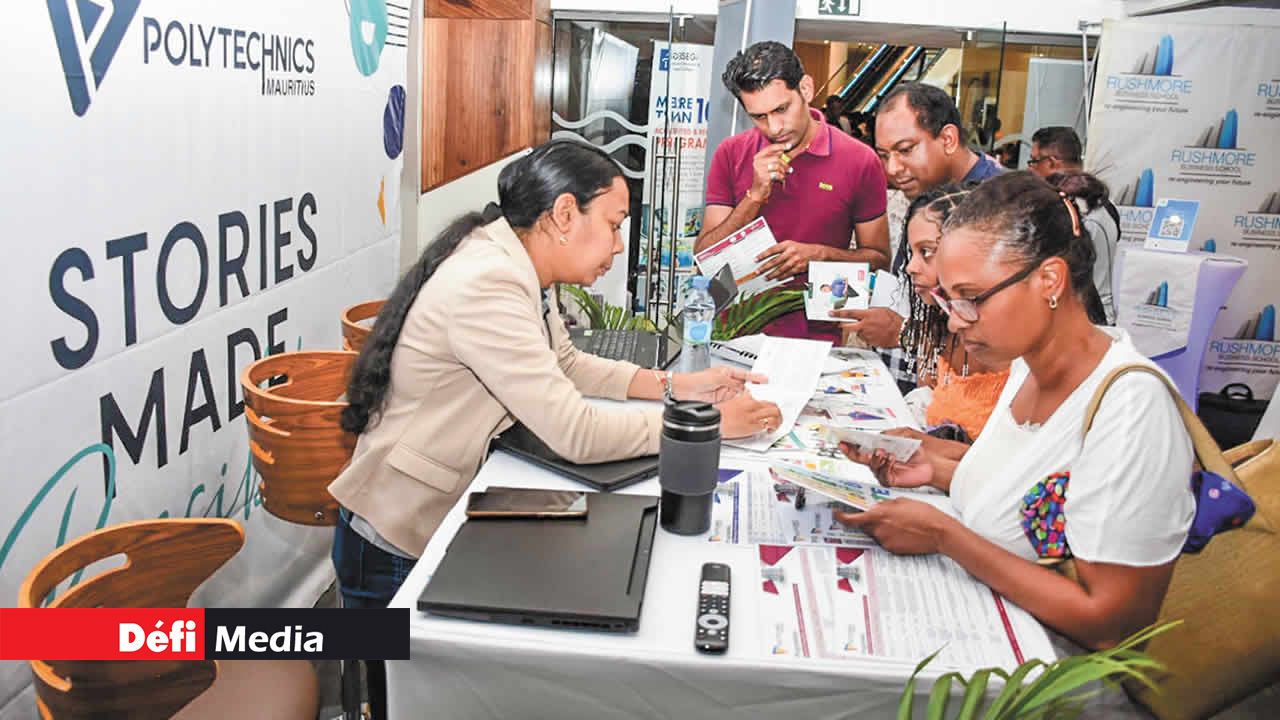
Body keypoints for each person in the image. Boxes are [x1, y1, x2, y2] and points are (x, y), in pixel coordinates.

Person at [330, 141, 783, 719]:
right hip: (398, 533)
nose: (619, 246)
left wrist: (676, 388)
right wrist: (703, 425)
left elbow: (567, 363)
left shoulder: (517, 263)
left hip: (433, 511)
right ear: (565, 214)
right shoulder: (488, 281)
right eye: (615, 225)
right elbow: (573, 431)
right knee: (404, 702)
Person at [836, 172, 1194, 663]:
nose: (956, 319)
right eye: (947, 299)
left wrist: (944, 536)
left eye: (972, 298)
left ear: (1049, 280)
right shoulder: (1025, 363)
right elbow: (1036, 492)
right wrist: (936, 470)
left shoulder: (1130, 406)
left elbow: (1111, 624)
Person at [698, 41, 891, 341]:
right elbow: (705, 256)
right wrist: (754, 197)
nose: (774, 127)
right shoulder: (731, 153)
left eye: (781, 109)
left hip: (818, 338)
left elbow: (879, 259)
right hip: (734, 333)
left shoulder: (860, 160)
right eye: (759, 117)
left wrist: (820, 256)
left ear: (806, 88)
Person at [837, 82, 1004, 392]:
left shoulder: (1000, 205)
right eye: (884, 155)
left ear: (948, 139)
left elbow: (997, 338)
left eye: (905, 150)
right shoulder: (926, 190)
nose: (894, 168)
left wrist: (903, 333)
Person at [890, 185, 1010, 443]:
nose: (910, 267)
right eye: (912, 253)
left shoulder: (1010, 347)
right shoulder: (939, 328)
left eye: (927, 252)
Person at [1029, 126, 1120, 324]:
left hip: (1081, 318)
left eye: (1034, 161)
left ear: (1051, 163)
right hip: (1098, 315)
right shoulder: (1105, 206)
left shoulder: (1070, 210)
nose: (1030, 168)